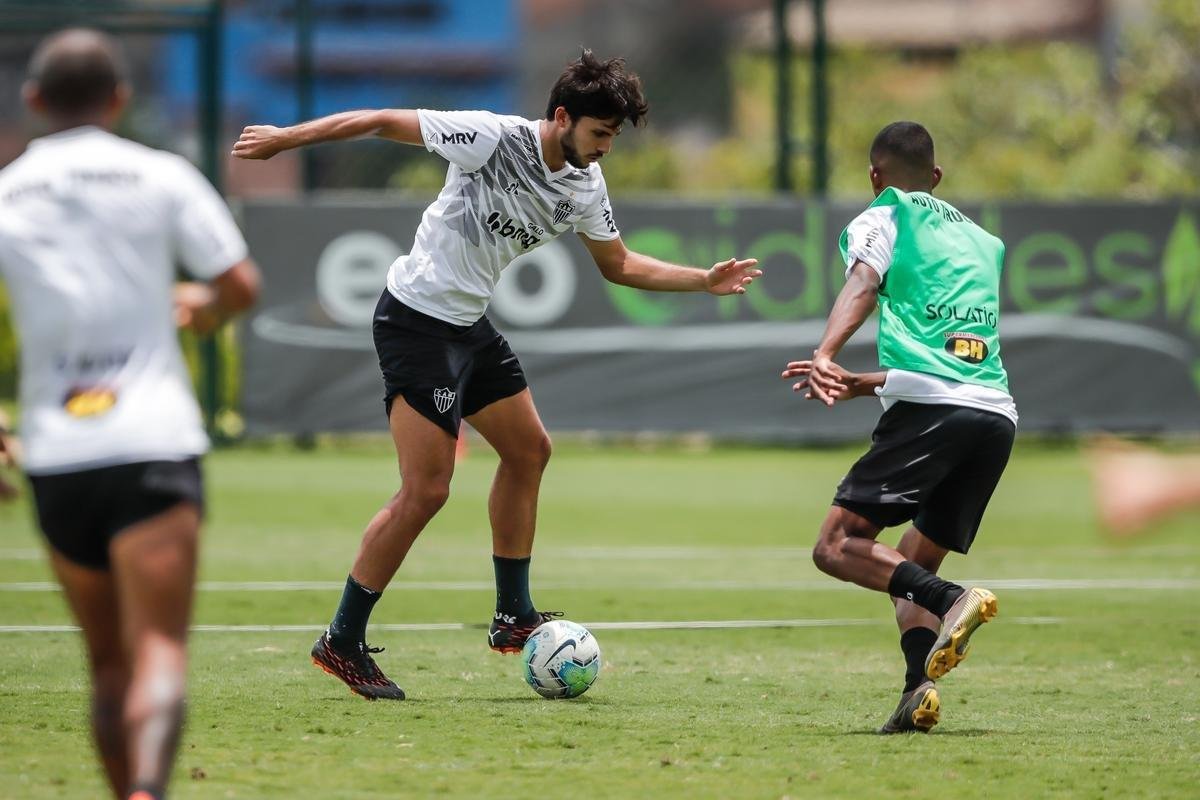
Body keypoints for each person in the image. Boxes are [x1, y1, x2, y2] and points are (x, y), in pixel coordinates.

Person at [232, 50, 761, 701]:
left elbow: (618, 264)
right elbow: (377, 120)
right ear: (562, 116)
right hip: (415, 323)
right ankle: (341, 641)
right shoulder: (490, 137)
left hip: (468, 328)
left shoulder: (585, 186)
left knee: (529, 449)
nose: (604, 149)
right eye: (599, 133)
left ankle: (513, 614)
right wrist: (287, 139)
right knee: (425, 492)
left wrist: (702, 281)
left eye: (612, 138)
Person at [0, 29, 260, 800]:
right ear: (119, 100)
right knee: (159, 651)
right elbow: (240, 282)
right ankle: (149, 787)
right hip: (152, 442)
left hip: (56, 454)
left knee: (106, 663)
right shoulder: (162, 174)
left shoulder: (9, 189)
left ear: (33, 100)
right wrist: (204, 310)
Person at [781, 121, 1017, 734]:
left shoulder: (884, 216)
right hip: (994, 416)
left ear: (874, 177)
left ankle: (953, 601)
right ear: (937, 177)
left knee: (835, 546)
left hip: (932, 412)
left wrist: (828, 352)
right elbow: (952, 353)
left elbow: (862, 283)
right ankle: (918, 692)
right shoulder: (985, 241)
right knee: (908, 564)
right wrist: (866, 382)